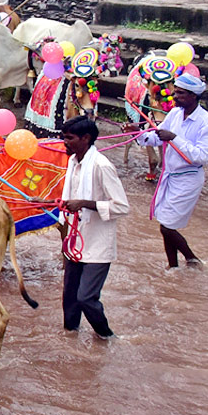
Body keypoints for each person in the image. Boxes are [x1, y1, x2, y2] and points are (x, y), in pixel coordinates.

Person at [135, 72, 208, 268]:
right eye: (175, 92)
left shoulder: (206, 122)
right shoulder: (175, 114)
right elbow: (157, 137)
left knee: (167, 227)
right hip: (169, 177)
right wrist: (137, 134)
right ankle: (174, 266)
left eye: (179, 93)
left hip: (188, 179)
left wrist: (174, 137)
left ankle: (191, 259)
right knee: (165, 225)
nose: (174, 97)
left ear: (193, 96)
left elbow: (201, 157)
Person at [59, 115, 127, 339]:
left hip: (97, 242)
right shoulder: (73, 162)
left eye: (69, 138)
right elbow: (70, 198)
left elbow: (121, 206)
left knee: (86, 298)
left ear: (86, 138)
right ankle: (70, 338)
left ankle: (107, 336)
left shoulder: (102, 166)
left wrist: (84, 204)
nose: (65, 143)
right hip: (75, 238)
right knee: (69, 296)